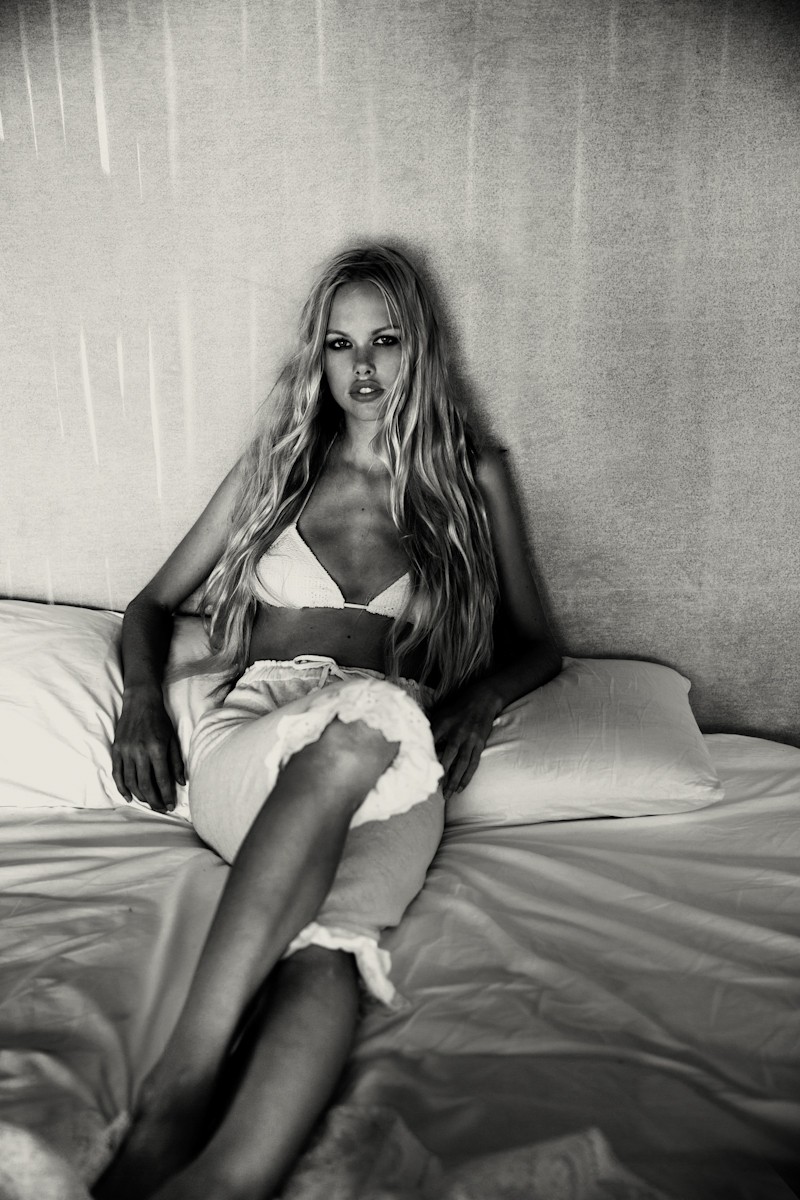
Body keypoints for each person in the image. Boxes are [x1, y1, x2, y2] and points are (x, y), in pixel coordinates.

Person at [93, 243, 562, 1200]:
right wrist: (143, 700)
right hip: (262, 729)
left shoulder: (473, 476)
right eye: (341, 344)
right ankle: (180, 1088)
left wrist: (478, 700)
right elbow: (151, 604)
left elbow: (539, 642)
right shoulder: (279, 469)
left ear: (417, 346)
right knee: (366, 724)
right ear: (318, 356)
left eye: (385, 340)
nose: (363, 367)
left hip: (394, 749)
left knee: (335, 943)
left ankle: (227, 1179)